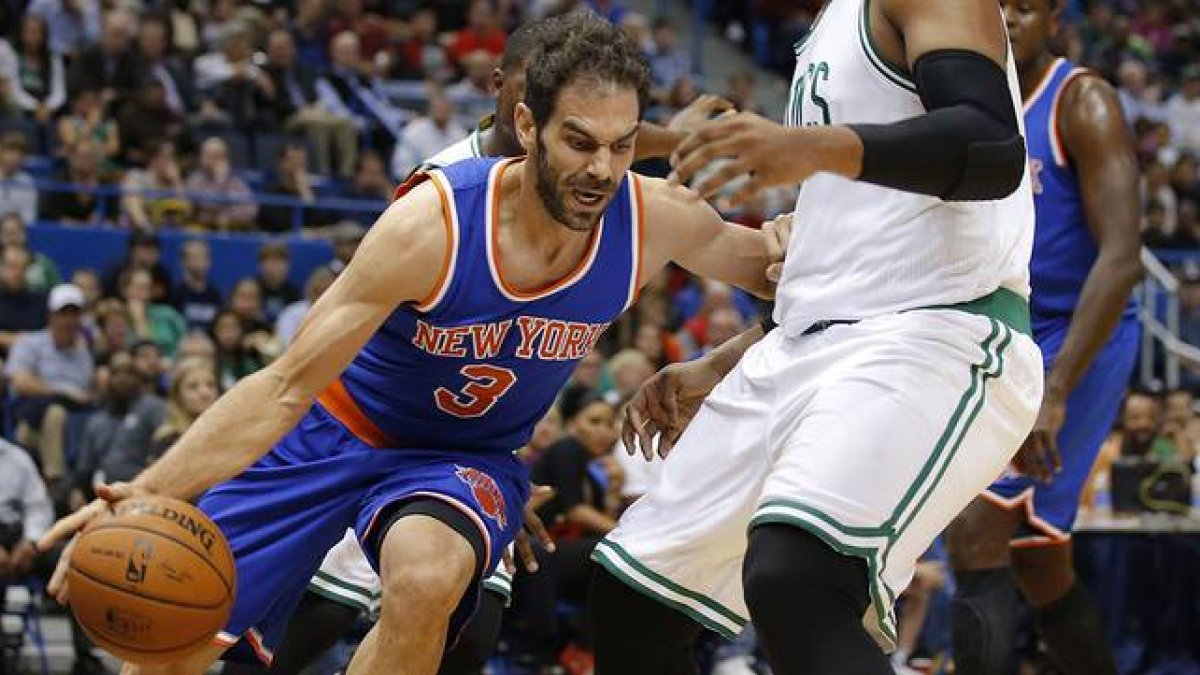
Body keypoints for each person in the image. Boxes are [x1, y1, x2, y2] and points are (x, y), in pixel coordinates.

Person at [40, 13, 778, 675]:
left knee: (427, 583)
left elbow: (799, 278)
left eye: (622, 146)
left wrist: (722, 356)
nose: (601, 170)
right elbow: (285, 384)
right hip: (337, 427)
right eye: (579, 142)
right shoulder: (434, 223)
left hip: (462, 457)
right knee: (174, 642)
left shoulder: (657, 218)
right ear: (527, 125)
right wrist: (147, 491)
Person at [259, 16, 738, 675]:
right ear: (514, 102)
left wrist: (492, 480)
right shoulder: (443, 196)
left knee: (468, 630)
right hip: (369, 440)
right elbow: (376, 359)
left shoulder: (582, 197)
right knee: (301, 628)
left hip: (461, 454)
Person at [588, 0, 1042, 672]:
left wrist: (806, 148)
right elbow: (851, 250)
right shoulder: (832, 26)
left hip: (938, 328)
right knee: (632, 599)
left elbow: (990, 147)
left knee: (796, 576)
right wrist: (725, 360)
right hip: (808, 343)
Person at [941, 3, 1144, 675]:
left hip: (1078, 334)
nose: (1006, 17)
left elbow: (1121, 258)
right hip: (1004, 330)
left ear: (1053, 14)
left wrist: (1055, 391)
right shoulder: (964, 99)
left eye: (1023, 4)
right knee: (1038, 559)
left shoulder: (1081, 101)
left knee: (975, 529)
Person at [6, 284, 95, 485]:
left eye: (74, 314)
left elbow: (86, 388)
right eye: (63, 314)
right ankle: (55, 480)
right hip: (31, 416)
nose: (69, 321)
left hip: (76, 418)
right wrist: (62, 392)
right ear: (51, 315)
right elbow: (19, 381)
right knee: (53, 415)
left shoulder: (83, 352)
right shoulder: (29, 342)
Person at [72, 351, 167, 506]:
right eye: (117, 373)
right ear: (109, 378)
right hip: (103, 496)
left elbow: (166, 450)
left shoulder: (155, 408)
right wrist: (77, 490)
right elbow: (85, 467)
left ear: (138, 377)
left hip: (146, 493)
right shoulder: (97, 420)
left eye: (129, 372)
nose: (123, 379)